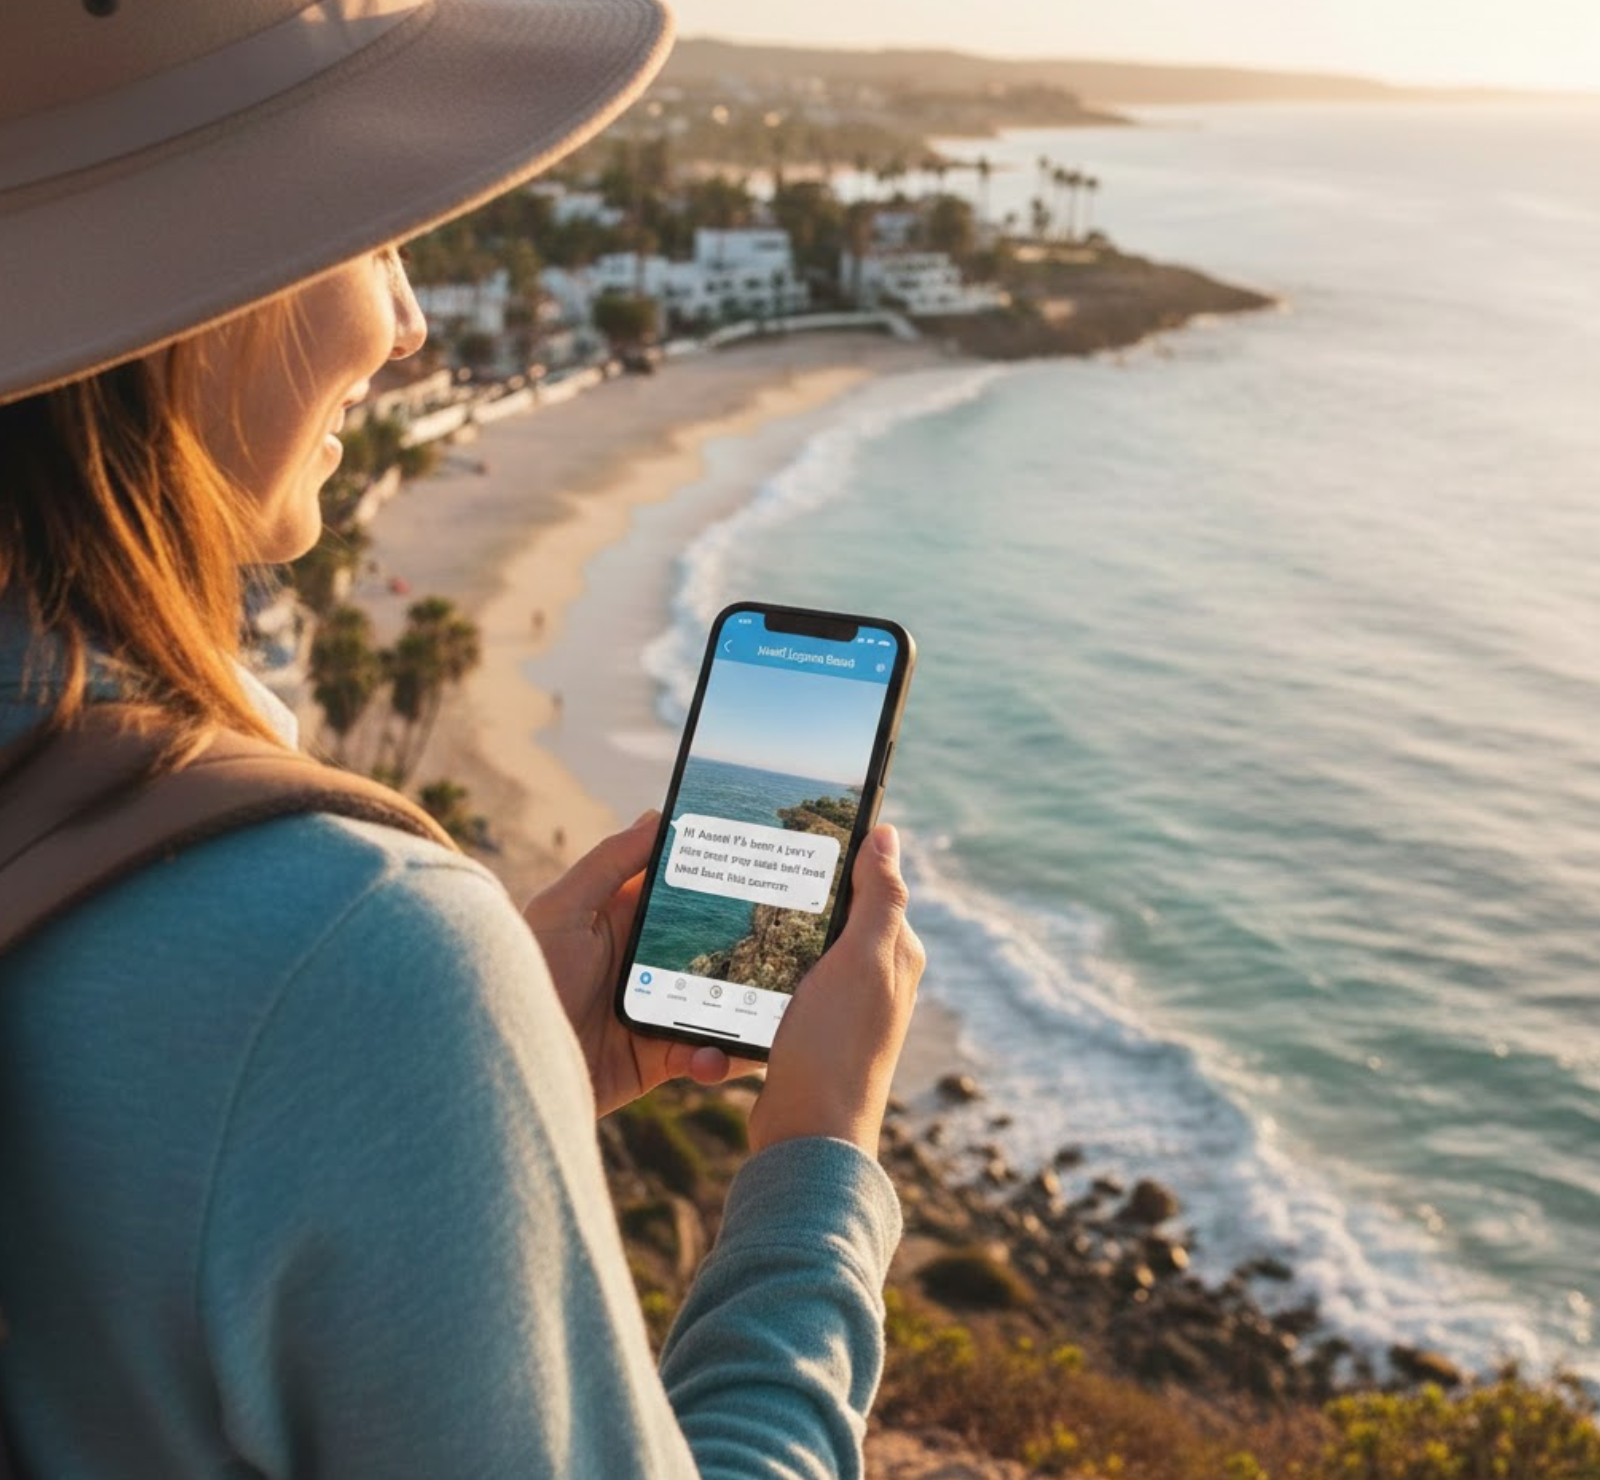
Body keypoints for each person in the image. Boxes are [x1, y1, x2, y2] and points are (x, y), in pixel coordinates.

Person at [0, 3, 925, 1477]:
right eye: (374, 238)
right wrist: (820, 1164)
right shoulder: (339, 952)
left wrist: (470, 1088)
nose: (411, 320)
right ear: (200, 296)